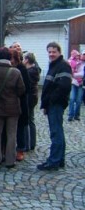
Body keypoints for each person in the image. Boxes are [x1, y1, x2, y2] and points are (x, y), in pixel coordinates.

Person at [38, 42, 72, 171]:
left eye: (54, 52)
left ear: (59, 52)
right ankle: (59, 159)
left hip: (56, 104)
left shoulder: (63, 65)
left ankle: (54, 161)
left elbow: (64, 87)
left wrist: (50, 101)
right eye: (50, 52)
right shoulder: (55, 65)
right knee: (58, 131)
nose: (51, 54)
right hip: (53, 104)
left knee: (56, 132)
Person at [0, 48, 25, 168]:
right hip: (13, 107)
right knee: (11, 133)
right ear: (9, 57)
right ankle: (10, 160)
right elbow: (21, 90)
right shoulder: (15, 72)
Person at [10, 49, 30, 161]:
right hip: (9, 102)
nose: (10, 61)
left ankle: (20, 149)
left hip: (20, 102)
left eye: (12, 58)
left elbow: (26, 87)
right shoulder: (8, 67)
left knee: (20, 128)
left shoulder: (22, 69)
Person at [23, 52, 41, 150]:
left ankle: (27, 144)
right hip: (33, 97)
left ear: (26, 60)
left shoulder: (28, 72)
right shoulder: (35, 70)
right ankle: (32, 143)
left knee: (27, 121)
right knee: (31, 120)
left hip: (28, 98)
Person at [67, 49, 85, 121]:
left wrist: (74, 75)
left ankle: (77, 115)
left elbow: (82, 74)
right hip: (74, 83)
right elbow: (69, 64)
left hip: (81, 84)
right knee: (71, 99)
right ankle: (70, 115)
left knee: (78, 101)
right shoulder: (75, 61)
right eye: (83, 54)